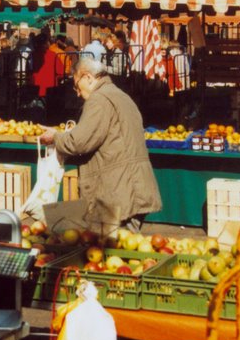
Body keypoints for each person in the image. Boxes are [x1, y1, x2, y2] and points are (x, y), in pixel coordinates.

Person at [39, 57, 162, 236]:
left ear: (88, 77)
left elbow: (79, 142)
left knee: (111, 248)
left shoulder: (99, 100)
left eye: (76, 85)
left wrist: (55, 138)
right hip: (131, 187)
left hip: (119, 191)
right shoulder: (120, 95)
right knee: (115, 247)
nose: (77, 93)